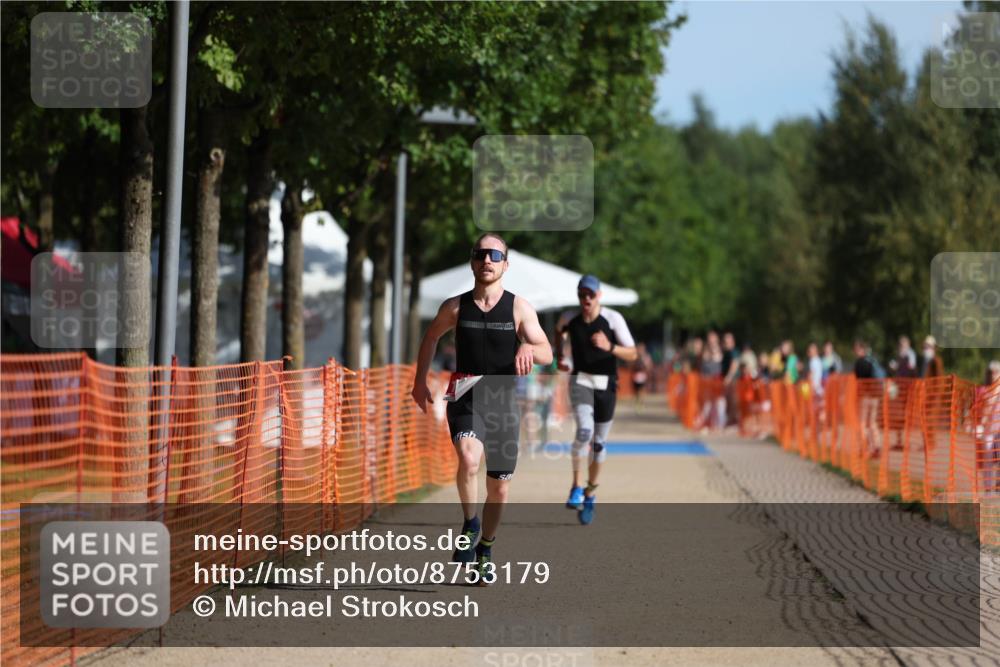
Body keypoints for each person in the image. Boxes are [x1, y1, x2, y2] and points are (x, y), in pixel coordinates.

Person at [411, 233, 552, 582]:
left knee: (499, 488)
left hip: (503, 401)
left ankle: (485, 548)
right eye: (480, 254)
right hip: (466, 393)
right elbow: (431, 336)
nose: (487, 260)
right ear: (472, 261)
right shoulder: (455, 307)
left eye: (494, 255)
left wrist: (528, 348)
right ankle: (470, 523)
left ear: (505, 264)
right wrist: (419, 381)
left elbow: (547, 352)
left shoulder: (519, 308)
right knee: (469, 458)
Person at [555, 274, 637, 525]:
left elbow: (632, 353)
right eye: (582, 295)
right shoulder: (570, 318)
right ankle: (576, 487)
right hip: (580, 380)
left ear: (599, 295)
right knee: (584, 431)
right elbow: (559, 331)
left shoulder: (613, 319)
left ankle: (590, 493)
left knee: (599, 444)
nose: (586, 299)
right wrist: (560, 356)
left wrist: (609, 346)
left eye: (591, 294)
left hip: (606, 386)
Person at [853, 339, 883, 457]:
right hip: (875, 395)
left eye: (856, 349)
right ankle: (877, 445)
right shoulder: (872, 361)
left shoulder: (859, 363)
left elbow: (858, 381)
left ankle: (866, 448)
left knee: (863, 422)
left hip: (865, 396)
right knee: (872, 422)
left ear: (860, 349)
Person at [631, 342, 653, 412]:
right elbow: (631, 365)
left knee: (642, 390)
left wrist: (645, 365)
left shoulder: (646, 357)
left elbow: (649, 366)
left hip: (642, 376)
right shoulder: (635, 356)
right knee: (637, 391)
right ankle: (637, 402)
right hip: (636, 376)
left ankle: (641, 403)